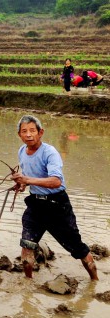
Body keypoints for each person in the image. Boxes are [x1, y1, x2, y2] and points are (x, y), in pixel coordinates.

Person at [11, 115, 98, 280]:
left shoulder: (50, 152)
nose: (28, 134)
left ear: (40, 132)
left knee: (77, 247)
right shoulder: (22, 151)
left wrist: (27, 180)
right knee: (27, 246)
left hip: (57, 206)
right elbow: (28, 176)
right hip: (35, 206)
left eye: (32, 130)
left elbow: (56, 181)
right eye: (24, 131)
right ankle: (27, 284)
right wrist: (22, 184)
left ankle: (95, 281)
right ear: (19, 135)